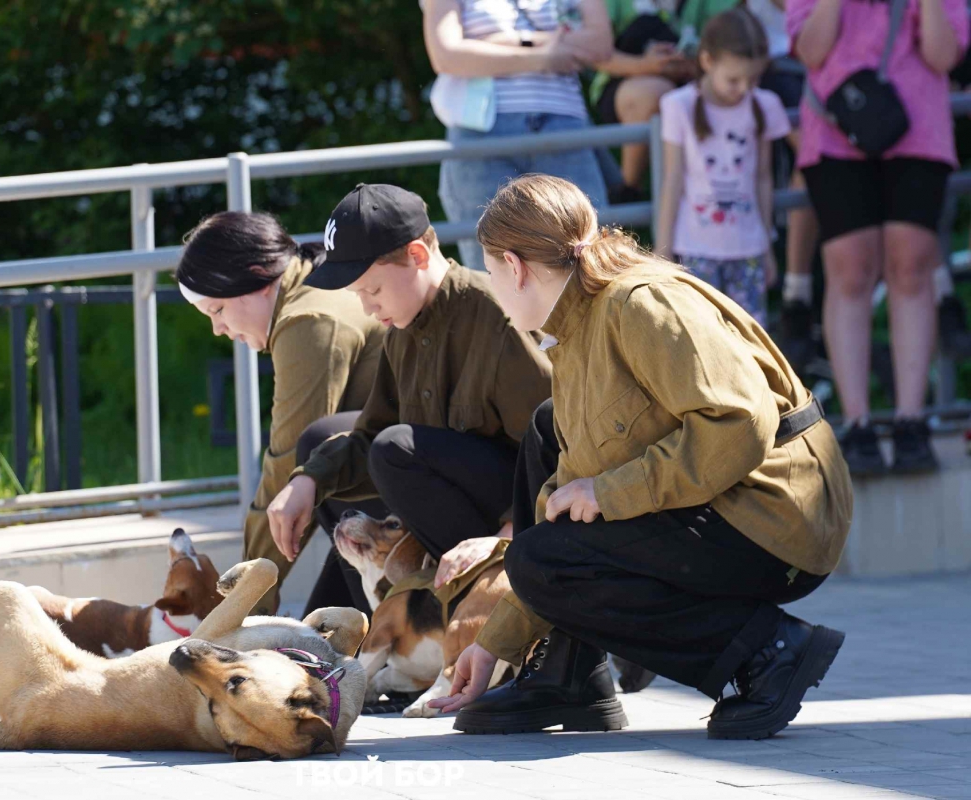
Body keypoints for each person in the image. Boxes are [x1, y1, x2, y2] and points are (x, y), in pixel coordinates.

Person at [428, 174, 853, 743]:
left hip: (781, 521)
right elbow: (561, 502)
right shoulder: (578, 326)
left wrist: (608, 494)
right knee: (544, 440)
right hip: (732, 503)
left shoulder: (640, 302)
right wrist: (496, 642)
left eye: (487, 270)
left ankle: (768, 651)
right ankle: (564, 671)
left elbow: (738, 423)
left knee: (544, 557)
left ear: (514, 265)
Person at [266, 183, 553, 609]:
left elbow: (558, 442)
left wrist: (507, 535)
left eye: (373, 290)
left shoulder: (495, 316)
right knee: (322, 443)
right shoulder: (403, 326)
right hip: (456, 495)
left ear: (418, 256)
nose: (366, 307)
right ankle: (381, 623)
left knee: (394, 450)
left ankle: (467, 604)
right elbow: (370, 433)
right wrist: (307, 480)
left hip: (529, 507)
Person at [788, 0, 969, 475]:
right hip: (835, 131)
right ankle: (859, 424)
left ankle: (912, 420)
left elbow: (945, 55)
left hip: (918, 130)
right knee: (849, 270)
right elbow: (809, 50)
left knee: (912, 265)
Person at [176, 211, 386, 616]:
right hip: (412, 470)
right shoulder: (311, 288)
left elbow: (286, 466)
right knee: (321, 650)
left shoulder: (309, 320)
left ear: (258, 278)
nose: (217, 330)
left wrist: (243, 604)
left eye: (217, 310)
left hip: (422, 488)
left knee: (313, 452)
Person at [424, 0, 614, 270]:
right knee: (492, 268)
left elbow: (600, 45)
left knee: (590, 259)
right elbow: (446, 55)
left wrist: (501, 43)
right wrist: (542, 54)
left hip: (565, 133)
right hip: (481, 136)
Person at [656, 9, 791, 327]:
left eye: (753, 79)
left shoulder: (764, 104)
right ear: (707, 61)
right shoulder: (679, 106)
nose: (743, 88)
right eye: (734, 79)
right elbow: (672, 180)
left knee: (748, 338)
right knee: (700, 337)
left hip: (748, 250)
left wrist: (767, 245)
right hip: (695, 249)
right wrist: (662, 253)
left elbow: (763, 179)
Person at [591, 0, 738, 204]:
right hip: (627, 85)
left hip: (697, 84)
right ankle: (629, 190)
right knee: (659, 95)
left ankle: (635, 193)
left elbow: (736, 50)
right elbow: (593, 53)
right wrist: (647, 66)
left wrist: (696, 67)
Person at [747, 0, 824, 370]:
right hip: (783, 73)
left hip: (826, 70)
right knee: (812, 160)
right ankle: (796, 291)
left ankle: (798, 290)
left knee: (811, 165)